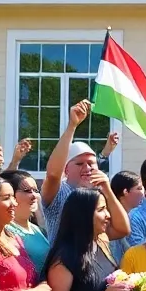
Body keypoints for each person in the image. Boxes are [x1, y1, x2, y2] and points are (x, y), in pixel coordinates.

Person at [40, 99, 131, 246]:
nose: (87, 168)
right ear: (67, 169)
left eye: (91, 163)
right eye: (80, 163)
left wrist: (107, 190)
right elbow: (52, 174)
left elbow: (122, 230)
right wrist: (72, 126)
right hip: (62, 265)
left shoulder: (99, 196)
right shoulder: (59, 193)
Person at [110, 169, 144, 262]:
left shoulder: (130, 216)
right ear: (126, 191)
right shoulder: (111, 220)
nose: (143, 193)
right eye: (139, 188)